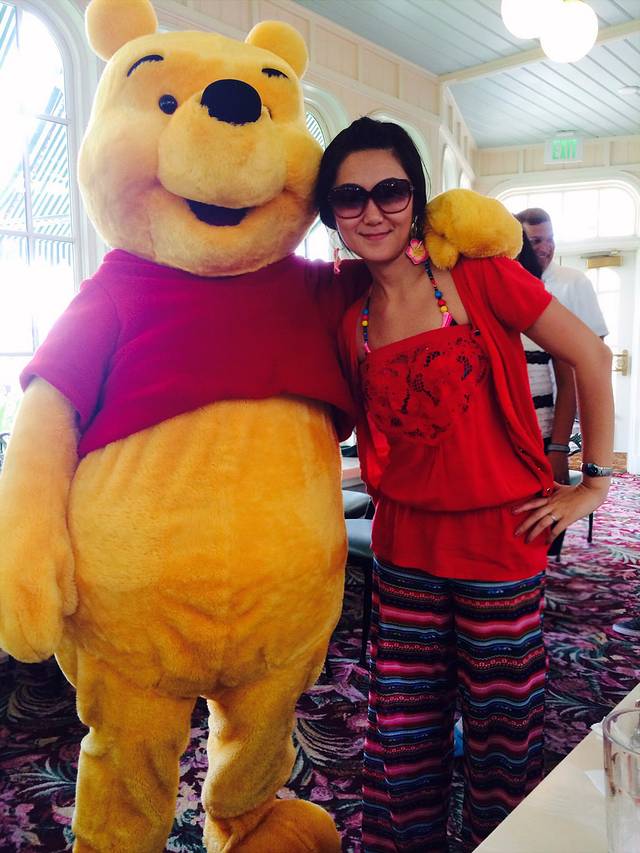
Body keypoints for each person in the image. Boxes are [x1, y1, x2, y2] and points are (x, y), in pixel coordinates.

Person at [315, 116, 614, 852]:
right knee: (404, 733)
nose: (372, 211)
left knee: (503, 738)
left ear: (416, 198)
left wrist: (593, 481)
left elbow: (590, 355)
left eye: (390, 190)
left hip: (500, 544)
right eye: (350, 197)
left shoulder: (480, 278)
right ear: (331, 214)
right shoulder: (352, 319)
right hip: (403, 549)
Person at [516, 207, 608, 486]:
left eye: (550, 239)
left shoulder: (574, 282)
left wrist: (566, 448)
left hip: (558, 413)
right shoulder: (506, 284)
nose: (546, 248)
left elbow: (595, 361)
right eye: (536, 241)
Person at [516, 231, 577, 556]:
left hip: (541, 440)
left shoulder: (546, 306)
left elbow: (568, 382)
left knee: (539, 533)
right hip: (495, 446)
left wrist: (558, 449)